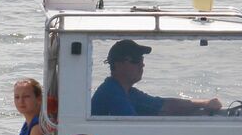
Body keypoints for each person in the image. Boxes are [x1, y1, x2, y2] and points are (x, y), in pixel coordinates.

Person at [89, 39, 224, 117]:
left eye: (141, 59)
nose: (142, 64)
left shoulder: (128, 92)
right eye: (136, 60)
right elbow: (134, 130)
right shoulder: (112, 93)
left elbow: (164, 105)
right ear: (118, 64)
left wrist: (204, 105)